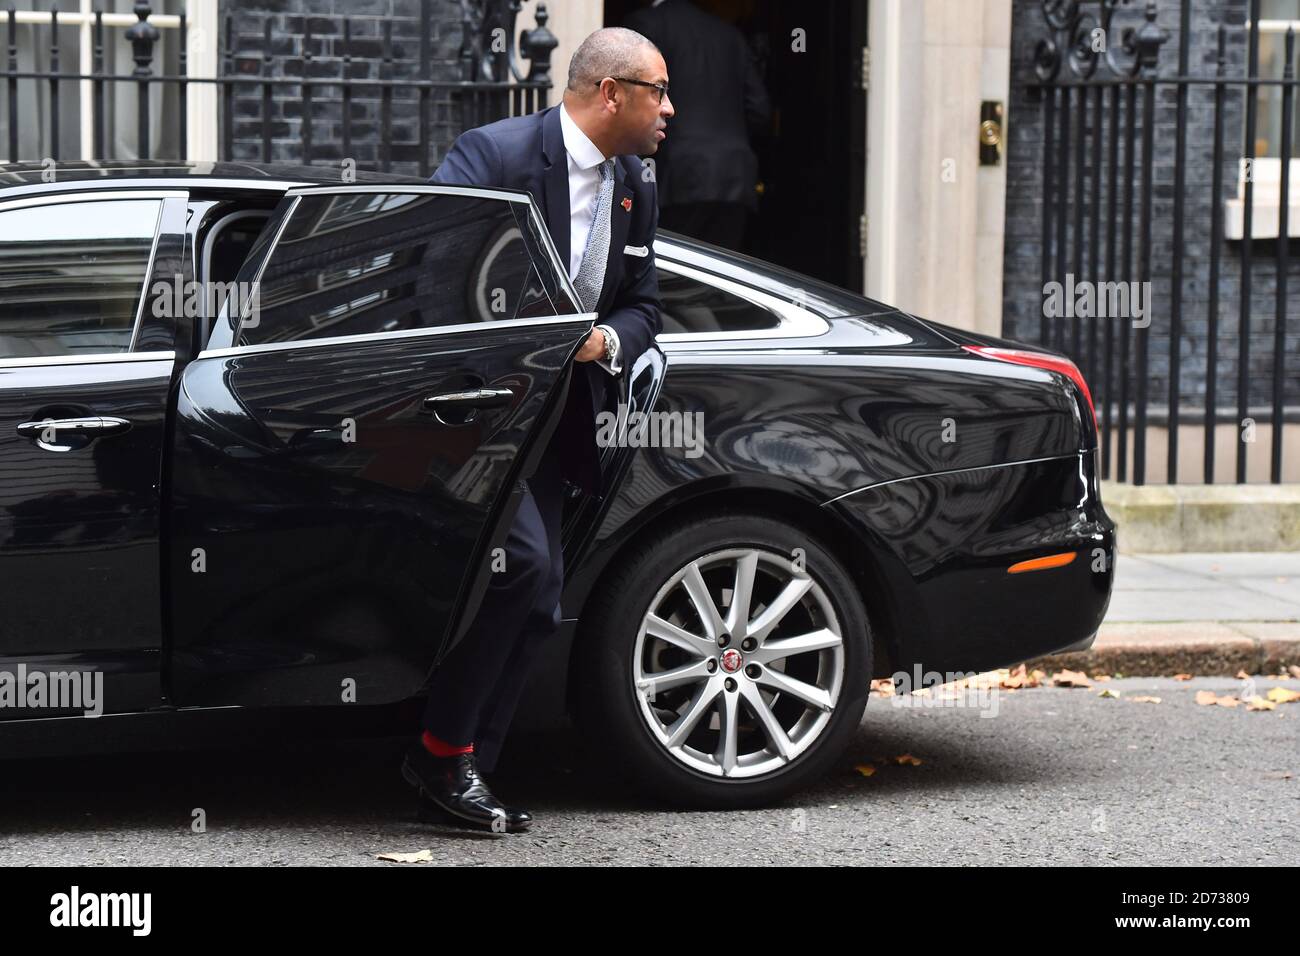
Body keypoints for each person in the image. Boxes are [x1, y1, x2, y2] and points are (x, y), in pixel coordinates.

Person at [400, 27, 673, 833]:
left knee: (542, 595)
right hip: (476, 415)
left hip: (559, 420)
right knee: (516, 568)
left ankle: (463, 764)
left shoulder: (637, 185)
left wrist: (605, 341)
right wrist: (523, 342)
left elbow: (644, 304)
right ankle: (443, 756)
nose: (671, 108)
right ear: (612, 91)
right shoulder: (494, 155)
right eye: (659, 89)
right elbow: (433, 277)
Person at [625, 0, 768, 251]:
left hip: (676, 174)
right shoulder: (730, 35)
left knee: (673, 275)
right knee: (724, 275)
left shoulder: (647, 24)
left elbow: (632, 101)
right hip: (733, 174)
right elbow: (759, 111)